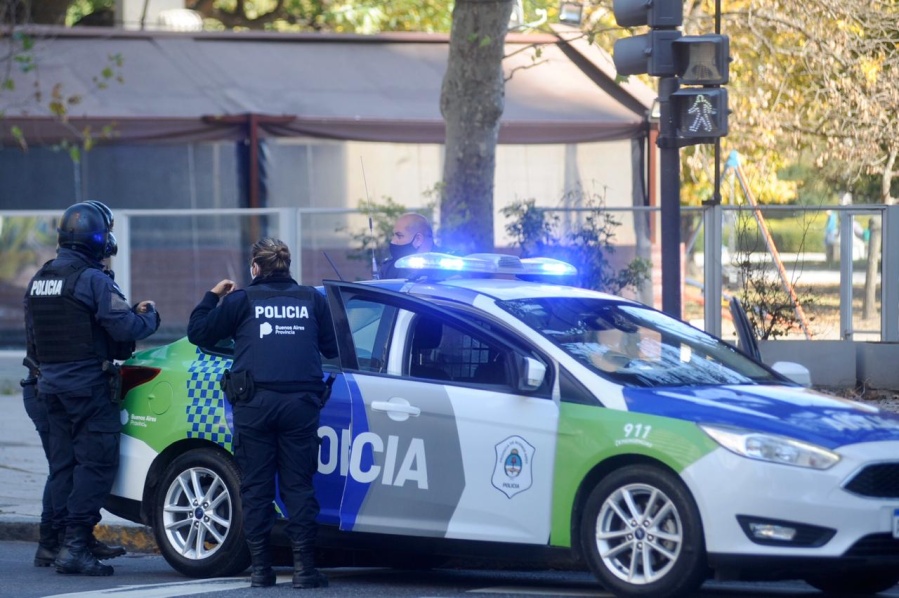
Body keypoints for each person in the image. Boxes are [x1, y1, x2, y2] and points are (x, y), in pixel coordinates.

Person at [187, 238, 338, 589]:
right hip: (300, 405)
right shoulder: (312, 300)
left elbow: (198, 332)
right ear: (287, 265)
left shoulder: (241, 301)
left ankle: (260, 570)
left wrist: (213, 296)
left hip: (254, 406)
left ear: (255, 268)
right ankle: (304, 570)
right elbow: (331, 347)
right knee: (298, 486)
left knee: (256, 488)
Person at [23, 201, 160, 576]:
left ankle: (52, 543)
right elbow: (127, 329)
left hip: (49, 387)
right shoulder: (93, 280)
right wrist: (148, 314)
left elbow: (34, 339)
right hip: (86, 388)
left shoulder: (40, 279)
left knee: (63, 468)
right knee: (95, 466)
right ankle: (76, 547)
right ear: (99, 240)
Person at [379, 212, 435, 279]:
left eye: (399, 236)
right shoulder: (389, 269)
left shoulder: (447, 265)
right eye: (393, 235)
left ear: (418, 239)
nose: (393, 241)